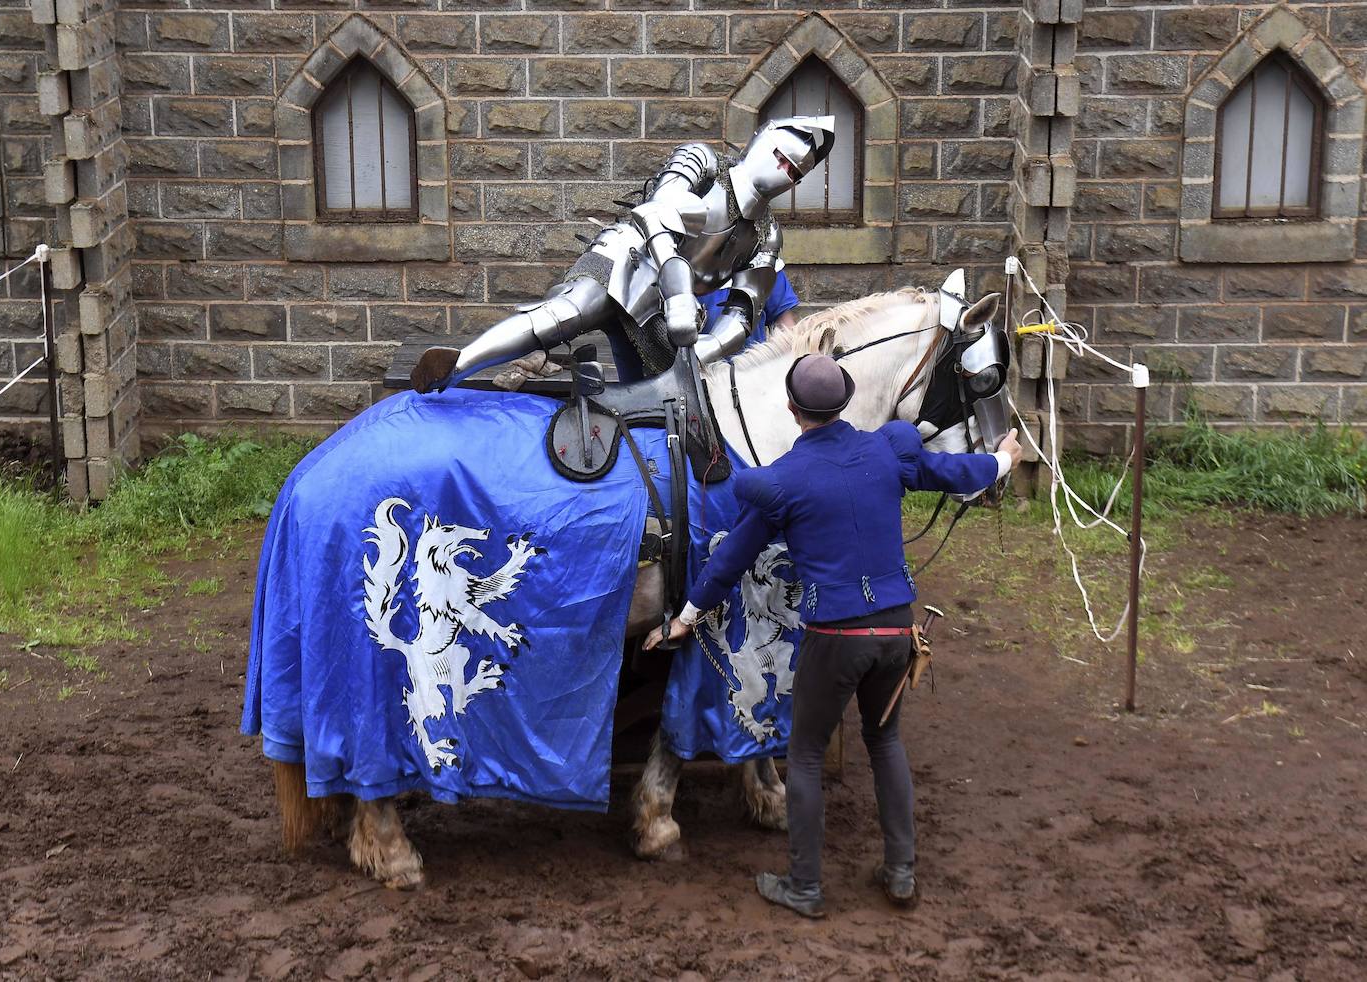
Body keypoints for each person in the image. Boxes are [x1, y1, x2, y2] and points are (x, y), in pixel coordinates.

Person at [645, 353, 1023, 918]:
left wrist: (686, 617)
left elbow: (729, 561)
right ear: (844, 402)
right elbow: (951, 472)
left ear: (791, 408)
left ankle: (805, 887)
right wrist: (1002, 460)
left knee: (804, 755)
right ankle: (900, 873)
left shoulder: (781, 482)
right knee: (885, 742)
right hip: (896, 628)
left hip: (835, 637)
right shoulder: (888, 451)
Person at [411, 117, 835, 393]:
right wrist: (680, 293)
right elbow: (658, 213)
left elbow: (743, 313)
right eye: (783, 160)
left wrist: (707, 349)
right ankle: (457, 365)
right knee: (564, 315)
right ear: (763, 141)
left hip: (670, 316)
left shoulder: (767, 235)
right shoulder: (705, 162)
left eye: (795, 173)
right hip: (630, 260)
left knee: (663, 391)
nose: (786, 173)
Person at [699, 268, 799, 348]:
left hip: (753, 364)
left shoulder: (763, 261)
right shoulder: (690, 264)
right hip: (700, 364)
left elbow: (785, 327)